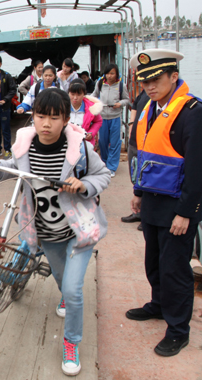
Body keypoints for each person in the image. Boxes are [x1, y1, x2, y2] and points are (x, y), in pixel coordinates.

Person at [0, 88, 111, 376]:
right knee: (63, 281)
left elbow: (103, 175)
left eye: (54, 118)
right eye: (41, 116)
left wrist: (83, 185)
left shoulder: (80, 149)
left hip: (79, 231)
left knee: (74, 291)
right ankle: (64, 295)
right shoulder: (24, 147)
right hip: (46, 232)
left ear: (66, 119)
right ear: (33, 117)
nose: (46, 124)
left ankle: (71, 342)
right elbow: (14, 169)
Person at [127, 48, 202, 357]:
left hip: (178, 207)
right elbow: (147, 155)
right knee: (154, 262)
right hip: (153, 202)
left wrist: (186, 212)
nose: (149, 87)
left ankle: (178, 330)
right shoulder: (149, 107)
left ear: (174, 76)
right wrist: (138, 192)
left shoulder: (192, 112)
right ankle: (158, 304)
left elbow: (197, 168)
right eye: (145, 82)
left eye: (156, 80)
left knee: (175, 269)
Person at [92, 63, 130, 178]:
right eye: (107, 73)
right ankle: (104, 164)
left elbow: (127, 99)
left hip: (115, 117)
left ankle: (112, 167)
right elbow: (94, 96)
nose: (109, 76)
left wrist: (120, 104)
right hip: (102, 117)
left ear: (116, 74)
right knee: (102, 142)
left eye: (112, 73)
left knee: (114, 143)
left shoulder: (121, 85)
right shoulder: (100, 84)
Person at [121, 90, 150, 230]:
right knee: (135, 176)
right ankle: (138, 212)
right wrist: (132, 126)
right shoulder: (144, 93)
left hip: (147, 144)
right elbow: (135, 107)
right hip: (135, 140)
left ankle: (146, 216)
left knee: (146, 178)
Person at [68, 78, 103, 146]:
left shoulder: (91, 108)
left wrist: (91, 133)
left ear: (84, 94)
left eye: (78, 95)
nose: (75, 98)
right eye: (72, 94)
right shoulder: (62, 106)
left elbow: (98, 121)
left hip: (84, 144)